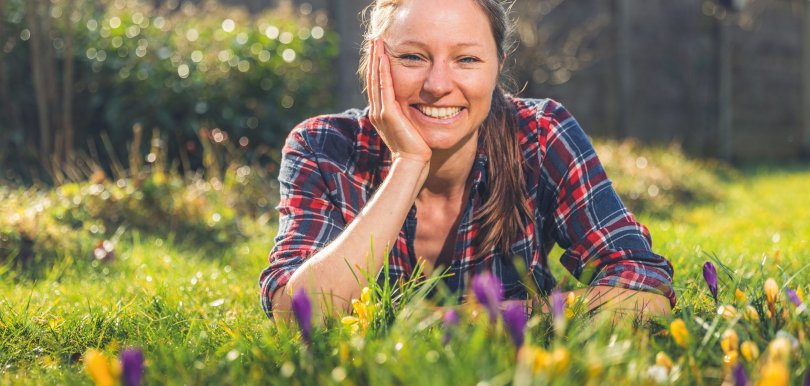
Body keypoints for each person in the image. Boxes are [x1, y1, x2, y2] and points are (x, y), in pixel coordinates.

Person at [259, 0, 675, 322]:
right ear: (374, 64)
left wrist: (463, 322)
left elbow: (645, 288)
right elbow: (299, 316)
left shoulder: (541, 134)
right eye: (412, 57)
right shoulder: (322, 147)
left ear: (498, 67)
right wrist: (408, 162)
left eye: (467, 59)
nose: (438, 85)